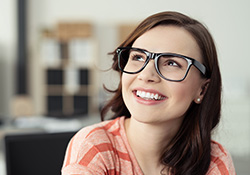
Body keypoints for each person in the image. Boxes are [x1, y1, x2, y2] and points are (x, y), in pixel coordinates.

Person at [61, 11, 236, 175]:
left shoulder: (215, 159)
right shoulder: (94, 146)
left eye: (172, 63)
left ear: (202, 89)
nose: (146, 75)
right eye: (138, 57)